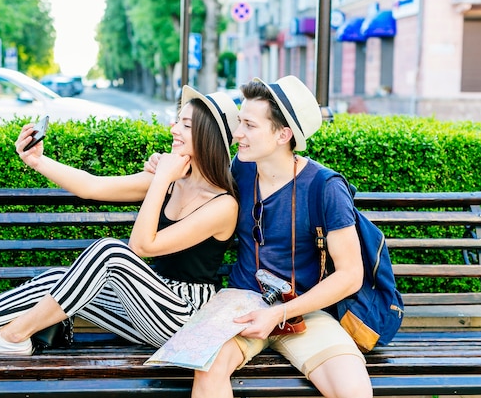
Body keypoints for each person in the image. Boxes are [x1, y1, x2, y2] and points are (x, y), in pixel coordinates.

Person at [0, 86, 240, 364]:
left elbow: (141, 247)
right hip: (149, 304)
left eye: (185, 124)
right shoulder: (174, 178)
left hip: (186, 316)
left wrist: (159, 180)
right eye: (177, 119)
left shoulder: (222, 204)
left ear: (207, 136)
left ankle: (13, 334)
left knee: (109, 252)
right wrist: (37, 161)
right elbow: (94, 187)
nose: (174, 128)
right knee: (56, 278)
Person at [146, 76, 372, 397]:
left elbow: (350, 275)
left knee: (354, 390)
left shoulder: (325, 187)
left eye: (249, 125)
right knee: (207, 368)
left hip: (303, 310)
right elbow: (194, 170)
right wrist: (160, 163)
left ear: (283, 134)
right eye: (240, 122)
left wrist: (279, 313)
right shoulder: (241, 167)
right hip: (240, 304)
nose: (238, 134)